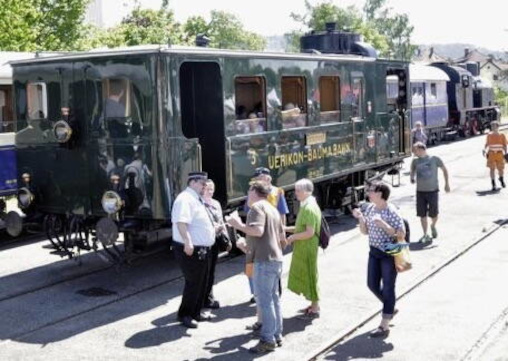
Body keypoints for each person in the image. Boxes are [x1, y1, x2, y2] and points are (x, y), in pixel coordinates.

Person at [227, 180, 285, 354]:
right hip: (275, 259)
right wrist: (247, 245)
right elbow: (278, 236)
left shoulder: (257, 208)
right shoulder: (272, 208)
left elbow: (258, 231)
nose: (247, 194)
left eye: (249, 190)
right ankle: (276, 334)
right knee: (273, 299)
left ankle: (267, 340)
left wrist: (236, 224)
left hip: (264, 260)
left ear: (254, 191)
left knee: (265, 301)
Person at [352, 182, 406, 338]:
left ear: (380, 194)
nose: (368, 193)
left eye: (371, 191)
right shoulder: (369, 208)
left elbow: (401, 234)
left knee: (388, 287)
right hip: (374, 251)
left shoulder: (391, 211)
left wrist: (384, 225)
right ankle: (390, 307)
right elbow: (365, 232)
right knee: (372, 284)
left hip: (390, 251)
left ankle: (384, 324)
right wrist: (361, 219)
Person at [171, 171, 216, 329]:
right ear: (193, 182)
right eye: (202, 183)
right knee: (193, 282)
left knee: (202, 282)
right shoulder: (185, 199)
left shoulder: (195, 198)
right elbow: (181, 222)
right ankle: (185, 314)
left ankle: (196, 312)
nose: (205, 186)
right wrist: (188, 242)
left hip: (202, 248)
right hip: (191, 248)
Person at [245, 167, 289, 304]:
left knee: (272, 264)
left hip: (272, 233)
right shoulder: (253, 192)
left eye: (260, 178)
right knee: (252, 263)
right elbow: (247, 210)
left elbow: (282, 214)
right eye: (256, 179)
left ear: (268, 178)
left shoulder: (277, 192)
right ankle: (255, 292)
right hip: (256, 235)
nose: (257, 181)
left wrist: (283, 234)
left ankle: (276, 291)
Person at [285, 178, 321, 319]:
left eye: (298, 190)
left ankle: (315, 307)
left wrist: (292, 238)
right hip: (304, 246)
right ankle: (313, 304)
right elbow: (302, 228)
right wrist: (286, 228)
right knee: (309, 274)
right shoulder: (307, 205)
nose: (295, 193)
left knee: (311, 275)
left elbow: (309, 232)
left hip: (308, 247)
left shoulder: (309, 207)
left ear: (307, 191)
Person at [410, 142, 450, 243]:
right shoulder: (415, 161)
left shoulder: (434, 159)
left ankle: (433, 225)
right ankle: (425, 234)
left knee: (434, 214)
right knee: (422, 214)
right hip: (420, 192)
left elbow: (444, 170)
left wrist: (447, 184)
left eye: (415, 150)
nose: (414, 153)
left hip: (432, 191)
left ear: (421, 149)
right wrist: (412, 177)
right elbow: (412, 170)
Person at [202, 179, 231, 310]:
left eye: (211, 189)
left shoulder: (216, 204)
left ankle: (209, 297)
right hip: (203, 241)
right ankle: (203, 299)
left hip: (215, 240)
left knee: (211, 271)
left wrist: (228, 239)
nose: (209, 192)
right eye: (207, 189)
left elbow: (221, 220)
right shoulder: (199, 204)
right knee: (204, 271)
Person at [483, 121, 507, 190]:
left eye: (494, 126)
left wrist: (506, 153)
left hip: (500, 154)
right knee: (492, 169)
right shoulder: (489, 135)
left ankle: (501, 179)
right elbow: (487, 144)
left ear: (497, 127)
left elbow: (505, 145)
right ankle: (493, 184)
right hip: (491, 154)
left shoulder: (502, 135)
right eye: (492, 126)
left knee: (501, 169)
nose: (493, 128)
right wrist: (484, 150)